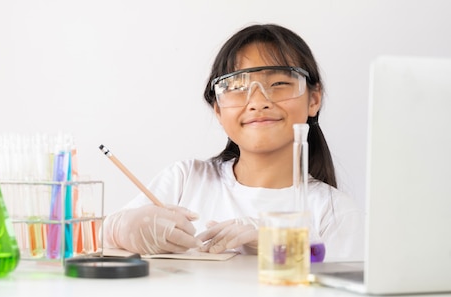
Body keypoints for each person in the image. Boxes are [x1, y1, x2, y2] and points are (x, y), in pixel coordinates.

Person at [102, 23, 364, 262]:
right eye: (237, 87)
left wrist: (279, 244)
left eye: (280, 83)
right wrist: (122, 230)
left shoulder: (334, 212)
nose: (258, 101)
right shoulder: (185, 181)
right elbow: (93, 243)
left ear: (314, 99)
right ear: (218, 110)